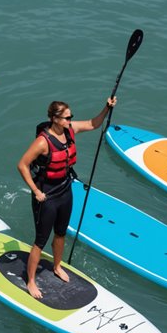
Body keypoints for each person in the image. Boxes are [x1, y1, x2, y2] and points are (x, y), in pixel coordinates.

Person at [17, 97, 116, 299]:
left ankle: (57, 266)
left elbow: (93, 124)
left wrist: (107, 107)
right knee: (41, 240)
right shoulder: (42, 142)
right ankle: (31, 281)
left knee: (61, 233)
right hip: (46, 195)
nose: (70, 121)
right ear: (55, 119)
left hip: (65, 191)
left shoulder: (70, 130)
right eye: (66, 118)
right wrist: (36, 191)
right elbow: (22, 165)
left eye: (71, 117)